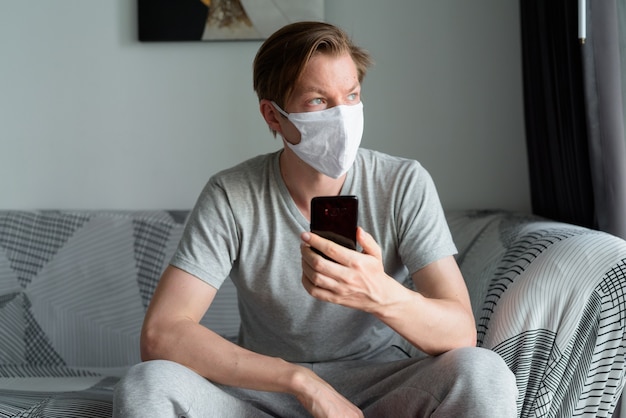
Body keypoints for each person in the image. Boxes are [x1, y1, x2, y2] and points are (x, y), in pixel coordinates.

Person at [114, 21, 517, 417]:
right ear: (273, 117)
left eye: (352, 95)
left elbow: (460, 332)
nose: (343, 116)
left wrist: (378, 292)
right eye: (318, 101)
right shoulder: (231, 193)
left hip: (379, 385)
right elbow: (161, 334)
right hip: (262, 392)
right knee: (145, 384)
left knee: (485, 373)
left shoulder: (402, 183)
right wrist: (300, 382)